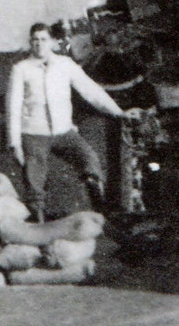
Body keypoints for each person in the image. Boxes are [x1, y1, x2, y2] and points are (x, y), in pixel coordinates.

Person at [8, 22, 142, 221]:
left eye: (43, 39)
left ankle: (100, 212)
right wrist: (15, 143)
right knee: (34, 182)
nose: (39, 44)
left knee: (90, 160)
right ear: (30, 42)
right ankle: (38, 224)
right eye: (35, 40)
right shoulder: (21, 69)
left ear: (52, 42)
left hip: (64, 132)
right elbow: (13, 107)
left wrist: (119, 112)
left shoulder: (65, 65)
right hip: (35, 133)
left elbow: (91, 91)